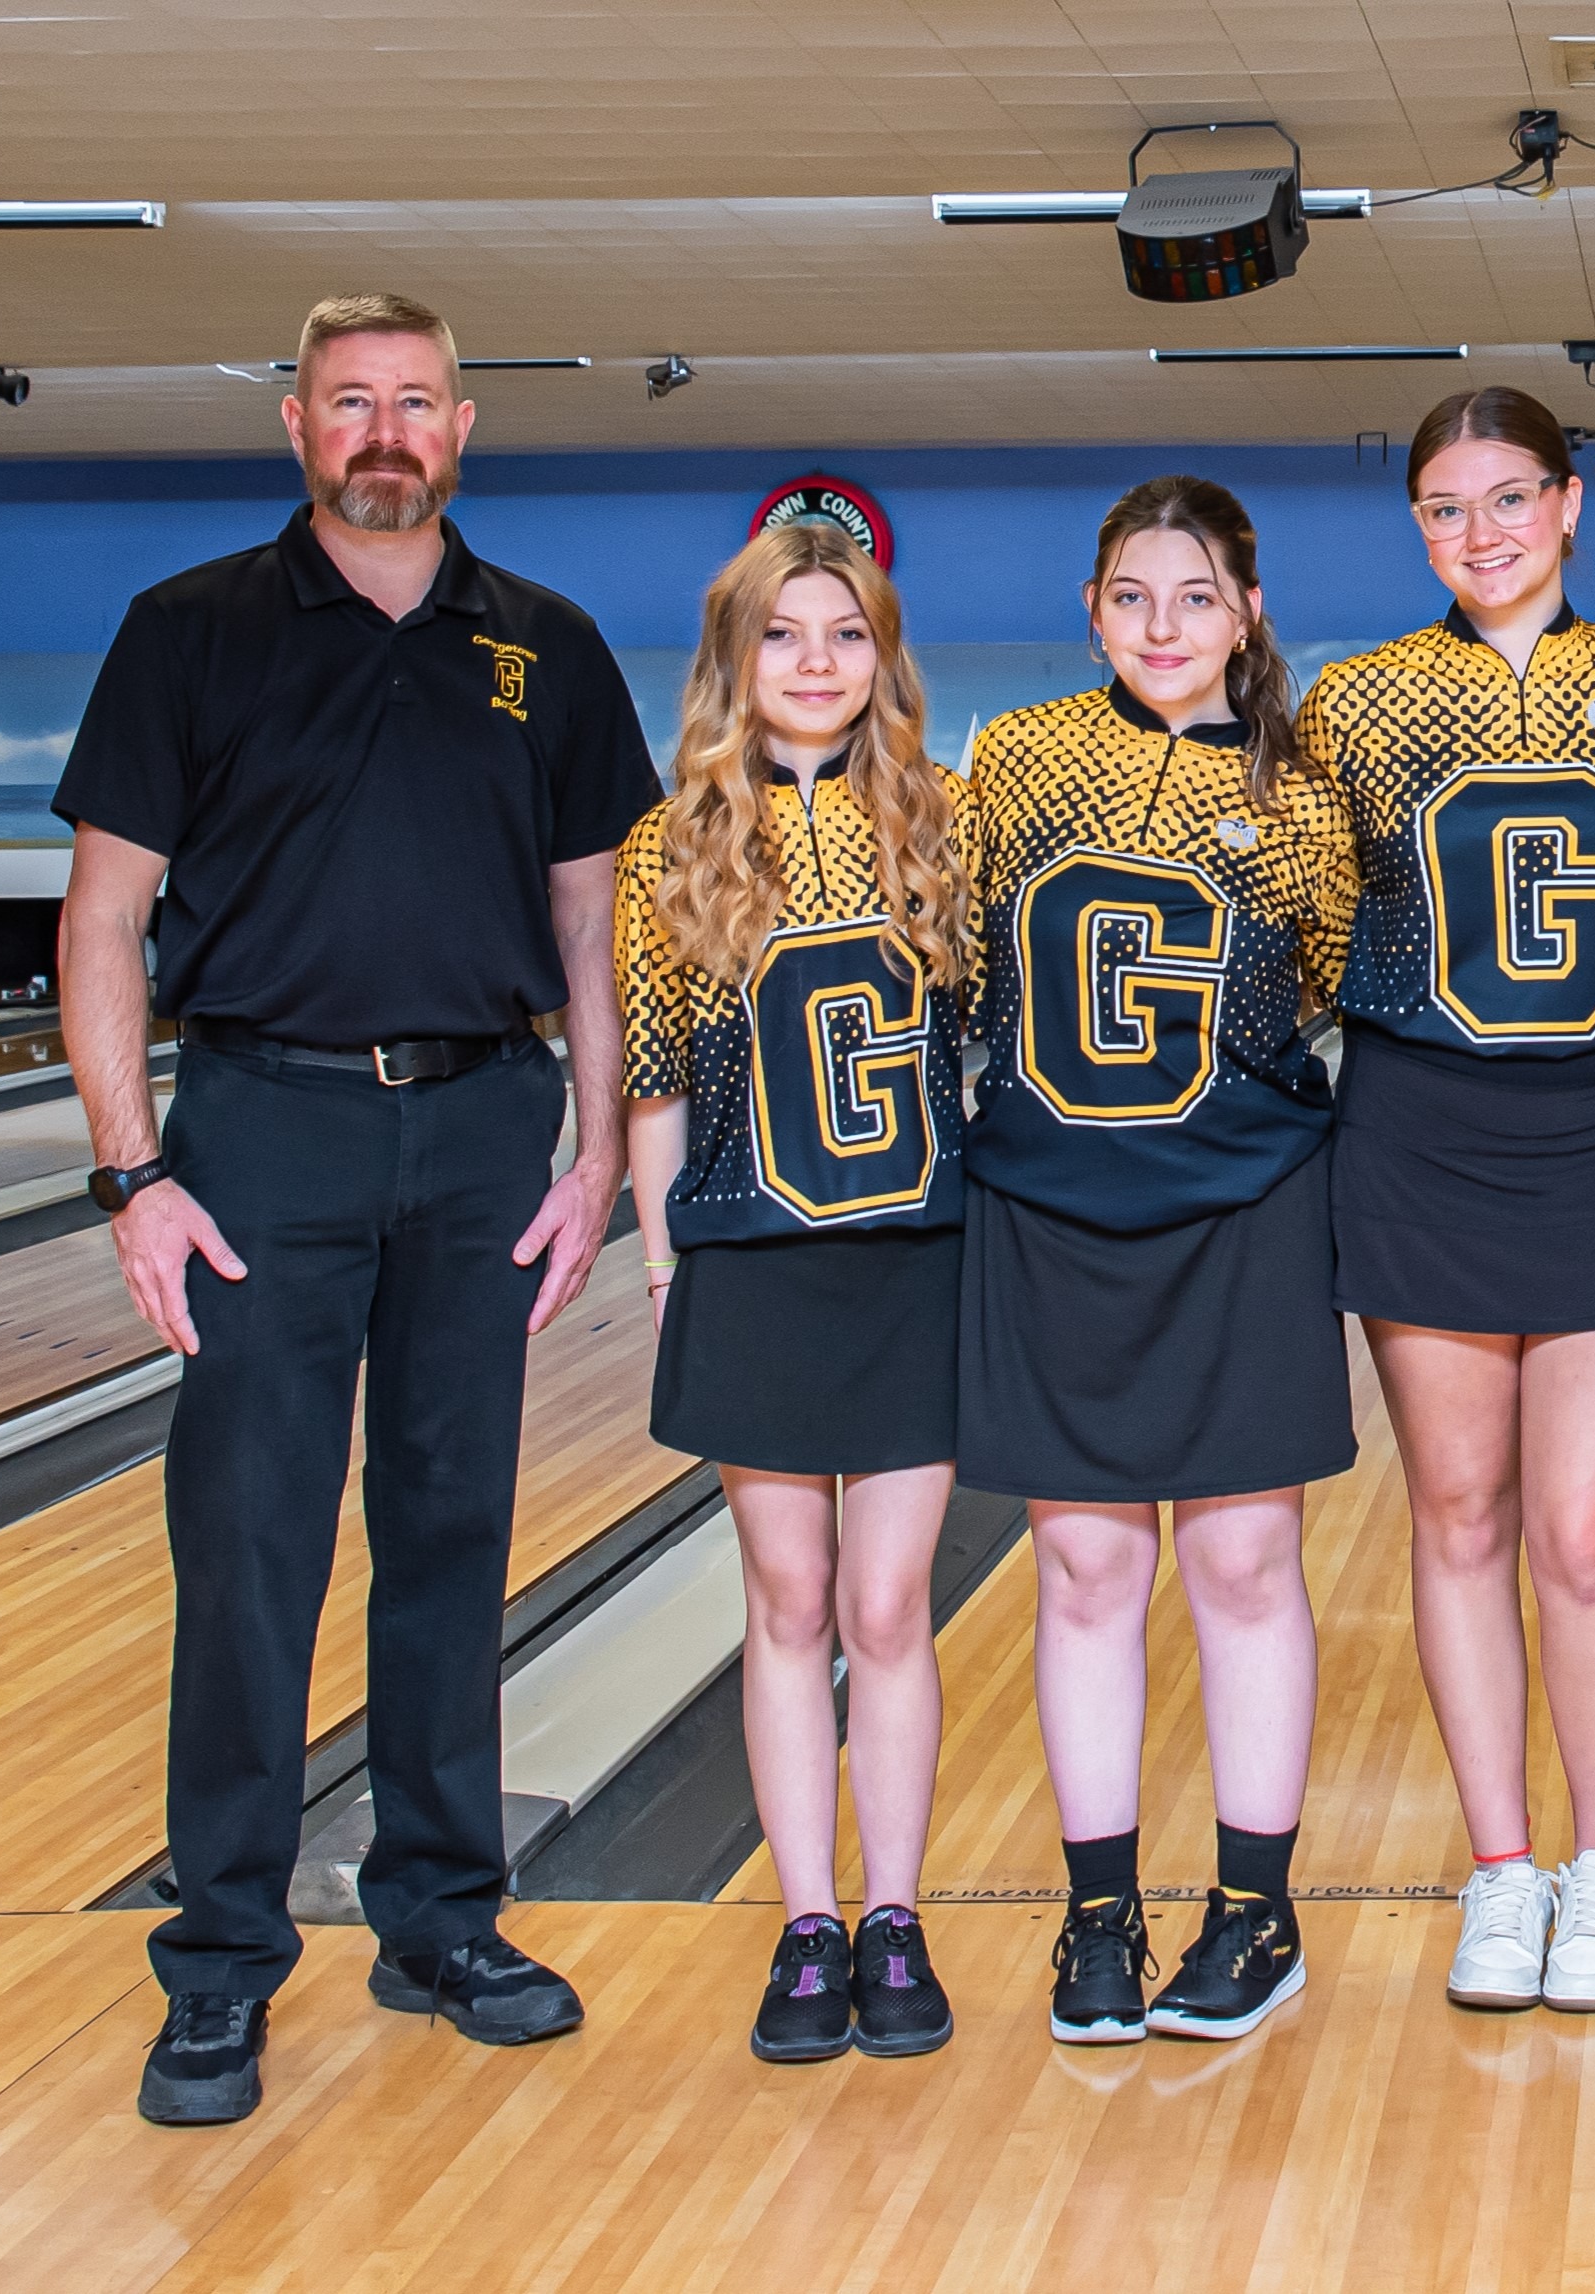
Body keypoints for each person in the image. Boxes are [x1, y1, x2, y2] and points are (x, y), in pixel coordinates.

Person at [53, 293, 662, 2128]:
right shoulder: (188, 633)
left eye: (414, 403)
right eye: (348, 404)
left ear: (462, 426)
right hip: (259, 1133)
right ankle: (223, 1959)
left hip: (480, 1128)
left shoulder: (543, 647)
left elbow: (587, 920)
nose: (382, 431)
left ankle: (440, 1916)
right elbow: (100, 919)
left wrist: (600, 1150)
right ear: (300, 425)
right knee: (246, 1552)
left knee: (454, 1534)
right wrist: (128, 1168)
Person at [1296, 389, 1595, 2014]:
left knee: (1586, 1531)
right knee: (1459, 1516)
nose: (1483, 531)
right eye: (1446, 507)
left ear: (1570, 501)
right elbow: (1307, 909)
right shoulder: (1359, 702)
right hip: (1421, 1129)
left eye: (1510, 497)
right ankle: (1500, 1870)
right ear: (1418, 527)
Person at [960, 476, 1357, 2046]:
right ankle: (1099, 1911)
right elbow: (963, 945)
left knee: (1243, 1564)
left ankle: (1256, 1909)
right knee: (1087, 1567)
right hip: (1052, 1211)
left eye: (1196, 597)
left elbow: (1322, 975)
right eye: (1132, 595)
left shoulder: (1305, 792)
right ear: (1092, 612)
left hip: (1243, 1208)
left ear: (1245, 612)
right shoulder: (1017, 761)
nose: (1163, 627)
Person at [614, 520, 973, 2064]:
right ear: (733, 660)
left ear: (880, 657)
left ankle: (894, 1916)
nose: (814, 662)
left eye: (842, 633)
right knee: (789, 1600)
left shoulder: (944, 822)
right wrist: (659, 1251)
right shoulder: (670, 843)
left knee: (890, 1605)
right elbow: (648, 1072)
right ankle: (806, 1923)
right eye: (782, 635)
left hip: (914, 1258)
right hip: (753, 1257)